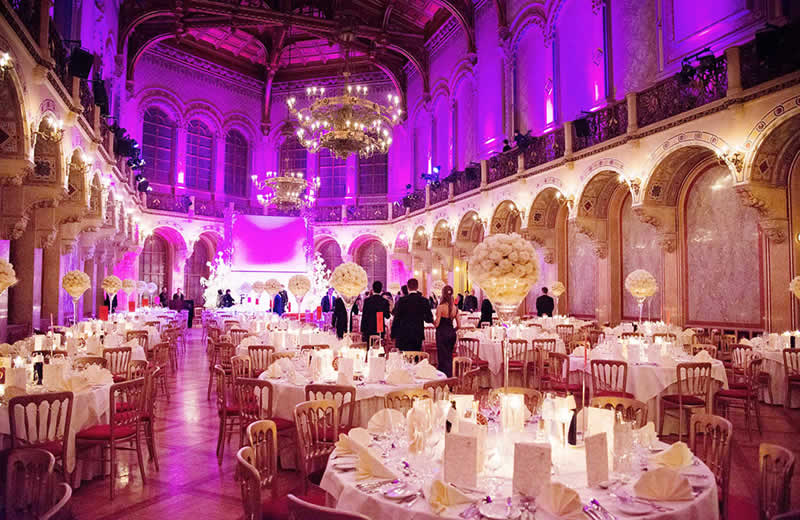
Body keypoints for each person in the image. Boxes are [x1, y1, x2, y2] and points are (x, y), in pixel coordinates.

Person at [391, 278, 433, 351]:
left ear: (408, 287)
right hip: (417, 334)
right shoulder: (424, 301)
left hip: (403, 334)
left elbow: (396, 319)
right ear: (417, 287)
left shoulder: (401, 301)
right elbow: (429, 319)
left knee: (404, 358)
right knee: (416, 357)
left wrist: (393, 335)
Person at [435, 285, 459, 377]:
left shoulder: (440, 307)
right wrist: (452, 330)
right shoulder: (455, 308)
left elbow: (437, 324)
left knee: (442, 357)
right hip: (451, 334)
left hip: (442, 333)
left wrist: (432, 322)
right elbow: (459, 325)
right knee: (449, 356)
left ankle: (443, 379)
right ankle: (450, 377)